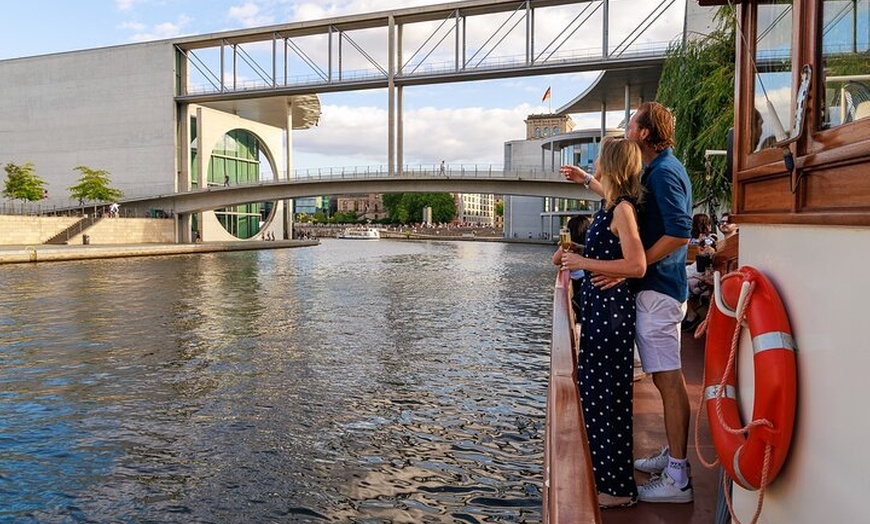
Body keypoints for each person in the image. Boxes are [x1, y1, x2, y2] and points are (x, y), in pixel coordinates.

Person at [559, 137, 647, 509]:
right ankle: (608, 479)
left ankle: (617, 489)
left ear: (609, 164)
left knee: (606, 397)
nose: (593, 162)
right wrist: (574, 252)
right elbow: (606, 253)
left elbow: (636, 265)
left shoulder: (622, 211)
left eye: (597, 159)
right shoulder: (611, 206)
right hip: (601, 311)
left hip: (610, 315)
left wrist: (583, 264)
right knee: (597, 395)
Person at [624, 102, 694, 504]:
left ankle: (679, 478)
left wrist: (636, 264)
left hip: (659, 291)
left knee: (668, 381)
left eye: (631, 123)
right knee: (665, 379)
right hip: (661, 290)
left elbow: (680, 233)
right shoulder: (658, 168)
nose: (626, 128)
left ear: (644, 133)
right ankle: (674, 453)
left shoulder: (664, 172)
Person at [551, 214, 591, 319]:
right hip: (585, 284)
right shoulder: (589, 248)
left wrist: (562, 248)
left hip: (574, 284)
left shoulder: (568, 247)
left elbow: (555, 260)